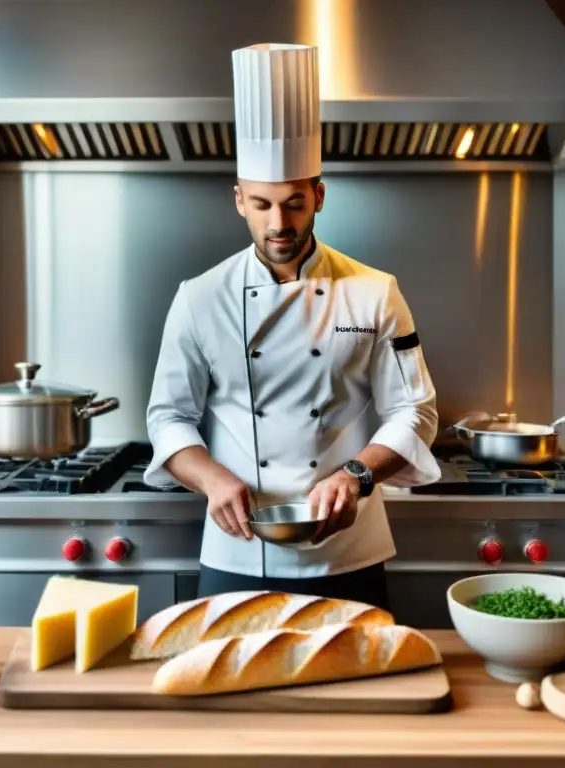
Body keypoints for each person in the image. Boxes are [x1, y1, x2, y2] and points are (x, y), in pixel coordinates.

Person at [144, 43, 440, 611]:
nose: (279, 223)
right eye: (261, 204)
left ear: (319, 196)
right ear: (239, 201)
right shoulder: (199, 298)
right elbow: (168, 417)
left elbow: (416, 410)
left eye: (294, 203)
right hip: (236, 548)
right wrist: (210, 478)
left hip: (349, 547)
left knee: (358, 691)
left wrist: (356, 473)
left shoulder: (375, 291)